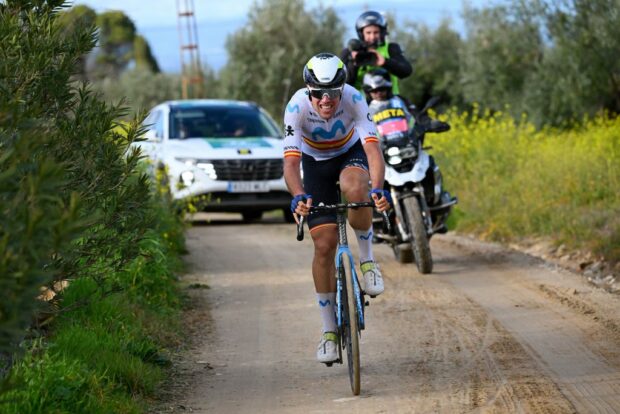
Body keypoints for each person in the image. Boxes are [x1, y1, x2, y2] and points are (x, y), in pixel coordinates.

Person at [283, 53, 391, 363]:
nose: (326, 100)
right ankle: (329, 331)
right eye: (318, 93)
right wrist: (298, 195)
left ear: (342, 89)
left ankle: (368, 261)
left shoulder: (355, 99)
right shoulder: (296, 107)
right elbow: (291, 163)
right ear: (308, 89)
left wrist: (378, 188)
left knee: (355, 188)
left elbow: (372, 148)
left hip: (349, 155)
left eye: (332, 92)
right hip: (314, 164)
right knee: (324, 245)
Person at [340, 10, 412, 96]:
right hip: (358, 104)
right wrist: (353, 63)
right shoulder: (349, 52)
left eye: (376, 32)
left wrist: (385, 62)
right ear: (361, 34)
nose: (372, 37)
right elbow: (342, 83)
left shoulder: (391, 48)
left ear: (382, 33)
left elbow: (406, 71)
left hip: (390, 103)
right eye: (368, 33)